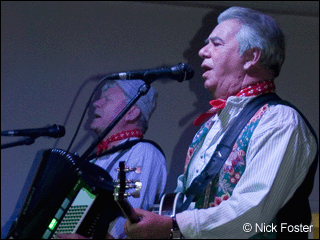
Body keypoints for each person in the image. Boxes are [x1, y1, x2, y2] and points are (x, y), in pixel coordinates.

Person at [124, 6, 318, 239]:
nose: (202, 51)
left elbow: (251, 215)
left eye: (216, 44)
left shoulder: (281, 121)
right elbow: (179, 204)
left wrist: (173, 227)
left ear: (251, 57)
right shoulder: (209, 127)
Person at [58, 80, 167, 239]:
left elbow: (130, 224)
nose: (96, 103)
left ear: (131, 113)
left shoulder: (143, 152)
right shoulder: (95, 161)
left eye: (107, 99)